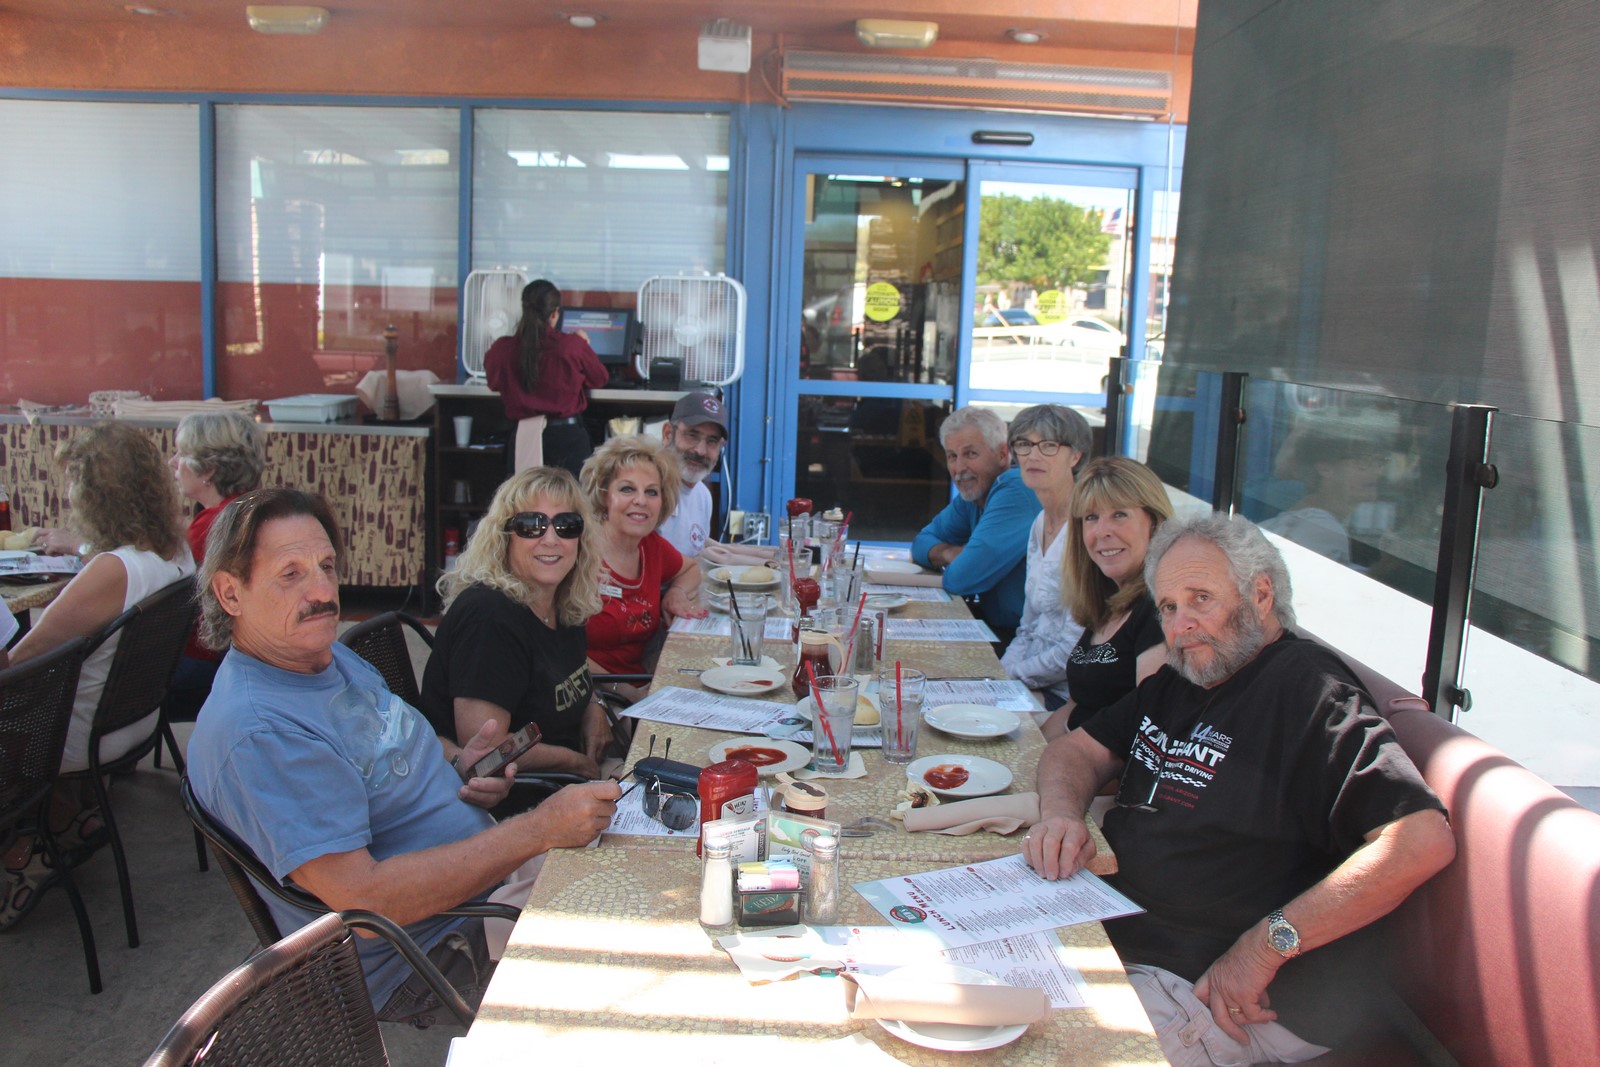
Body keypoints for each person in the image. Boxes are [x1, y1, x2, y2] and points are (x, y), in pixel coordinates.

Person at [1023, 513, 1455, 1064]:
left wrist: (1263, 948)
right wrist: (1060, 815)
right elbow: (1074, 750)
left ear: (1262, 594)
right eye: (1170, 607)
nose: (1181, 625)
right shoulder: (1185, 678)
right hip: (1119, 934)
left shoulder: (1309, 690)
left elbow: (1420, 840)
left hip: (1217, 989)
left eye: (1201, 598)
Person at [186, 489, 619, 1021]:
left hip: (489, 883)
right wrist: (537, 830)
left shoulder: (321, 659)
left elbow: (387, 737)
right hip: (433, 948)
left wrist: (459, 763)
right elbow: (366, 904)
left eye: (326, 565)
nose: (323, 591)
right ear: (230, 593)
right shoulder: (261, 732)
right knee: (642, 962)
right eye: (291, 574)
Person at [2, 422, 196, 930]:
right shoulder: (174, 552)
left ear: (96, 494)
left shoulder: (112, 569)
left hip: (77, 740)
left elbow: (19, 666)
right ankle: (65, 814)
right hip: (133, 721)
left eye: (73, 483)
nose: (67, 493)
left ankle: (26, 847)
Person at [421, 466, 614, 779]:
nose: (551, 539)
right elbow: (486, 748)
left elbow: (569, 674)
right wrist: (575, 763)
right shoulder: (489, 617)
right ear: (504, 537)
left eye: (566, 525)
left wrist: (595, 705)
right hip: (520, 795)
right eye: (531, 525)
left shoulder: (561, 599)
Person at [1039, 456, 1173, 739]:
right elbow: (1076, 706)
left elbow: (1145, 732)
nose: (1102, 531)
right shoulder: (1109, 603)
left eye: (1119, 514)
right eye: (1091, 518)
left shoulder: (1159, 609)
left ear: (1154, 522)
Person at [580, 436, 705, 700]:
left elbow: (691, 569)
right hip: (591, 693)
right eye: (627, 489)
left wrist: (676, 593)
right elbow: (557, 650)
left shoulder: (651, 546)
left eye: (651, 492)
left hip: (642, 683)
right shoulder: (579, 555)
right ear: (604, 496)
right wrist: (628, 694)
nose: (641, 500)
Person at [166, 409, 267, 721]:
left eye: (181, 454)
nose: (172, 462)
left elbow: (157, 581)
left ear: (207, 469)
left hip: (203, 659)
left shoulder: (212, 525)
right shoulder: (247, 506)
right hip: (237, 657)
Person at [911, 406, 1041, 640]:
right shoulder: (973, 496)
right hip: (999, 629)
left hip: (1030, 641)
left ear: (1002, 454)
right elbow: (920, 543)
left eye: (970, 454)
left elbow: (961, 578)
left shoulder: (1016, 489)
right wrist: (950, 553)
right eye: (952, 456)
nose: (959, 469)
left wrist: (959, 558)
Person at [998, 404, 1092, 709]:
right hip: (1024, 680)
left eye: (1048, 445)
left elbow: (1074, 648)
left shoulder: (1087, 527)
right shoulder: (1040, 521)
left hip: (1066, 696)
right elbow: (1028, 626)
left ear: (1076, 455)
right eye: (1024, 445)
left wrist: (1009, 676)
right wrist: (1000, 672)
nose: (1032, 456)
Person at [484, 279, 608, 478]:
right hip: (567, 439)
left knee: (524, 501)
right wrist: (583, 345)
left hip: (524, 436)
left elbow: (493, 382)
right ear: (555, 313)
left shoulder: (502, 349)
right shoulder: (571, 346)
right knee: (571, 502)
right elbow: (600, 378)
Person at [656, 391, 728, 558]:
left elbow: (697, 550)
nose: (700, 451)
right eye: (692, 435)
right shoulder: (649, 490)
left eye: (712, 441)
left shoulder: (703, 496)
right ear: (668, 434)